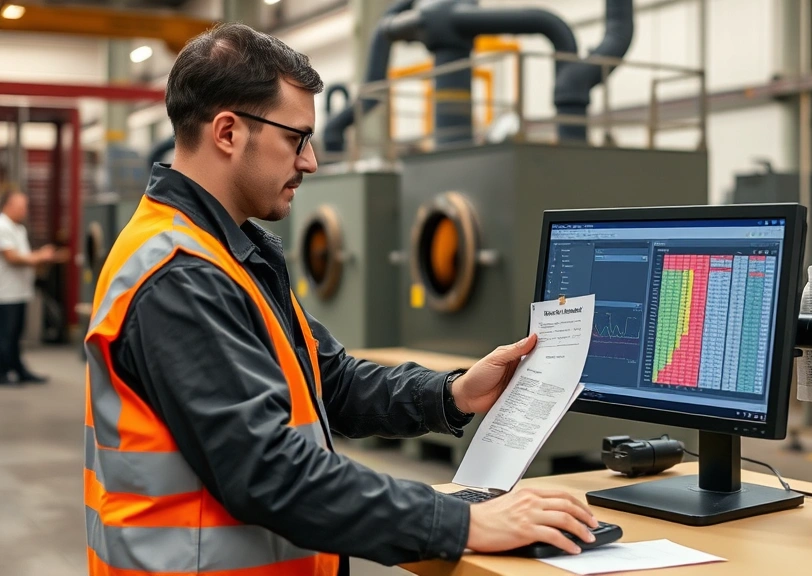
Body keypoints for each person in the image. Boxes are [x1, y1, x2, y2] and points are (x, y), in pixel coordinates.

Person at [84, 22, 597, 576]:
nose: (310, 162)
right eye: (296, 138)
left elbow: (331, 381)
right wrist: (464, 523)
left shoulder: (228, 254)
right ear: (228, 133)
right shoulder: (180, 276)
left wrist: (452, 394)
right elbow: (268, 471)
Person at [0, 190, 59, 384]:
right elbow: (12, 257)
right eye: (21, 207)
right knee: (6, 335)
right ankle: (4, 372)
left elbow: (23, 254)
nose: (24, 211)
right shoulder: (2, 225)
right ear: (8, 206)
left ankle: (17, 368)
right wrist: (40, 256)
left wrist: (40, 256)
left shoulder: (18, 228)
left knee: (16, 334)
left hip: (20, 291)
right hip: (6, 293)